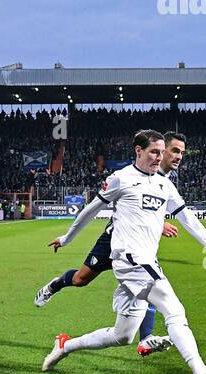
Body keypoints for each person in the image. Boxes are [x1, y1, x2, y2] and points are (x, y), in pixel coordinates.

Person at [40, 130, 206, 374]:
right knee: (175, 310)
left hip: (142, 261)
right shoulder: (121, 179)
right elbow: (91, 210)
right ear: (138, 151)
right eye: (154, 152)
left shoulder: (164, 185)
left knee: (122, 335)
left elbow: (189, 221)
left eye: (161, 152)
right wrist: (67, 237)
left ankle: (64, 346)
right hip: (131, 260)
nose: (159, 158)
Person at [34, 132, 185, 357]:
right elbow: (107, 206)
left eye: (179, 152)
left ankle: (146, 337)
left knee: (150, 282)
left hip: (137, 248)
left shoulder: (163, 180)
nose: (176, 156)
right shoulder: (131, 174)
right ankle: (55, 284)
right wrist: (67, 238)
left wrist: (157, 222)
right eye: (172, 151)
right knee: (80, 279)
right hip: (113, 239)